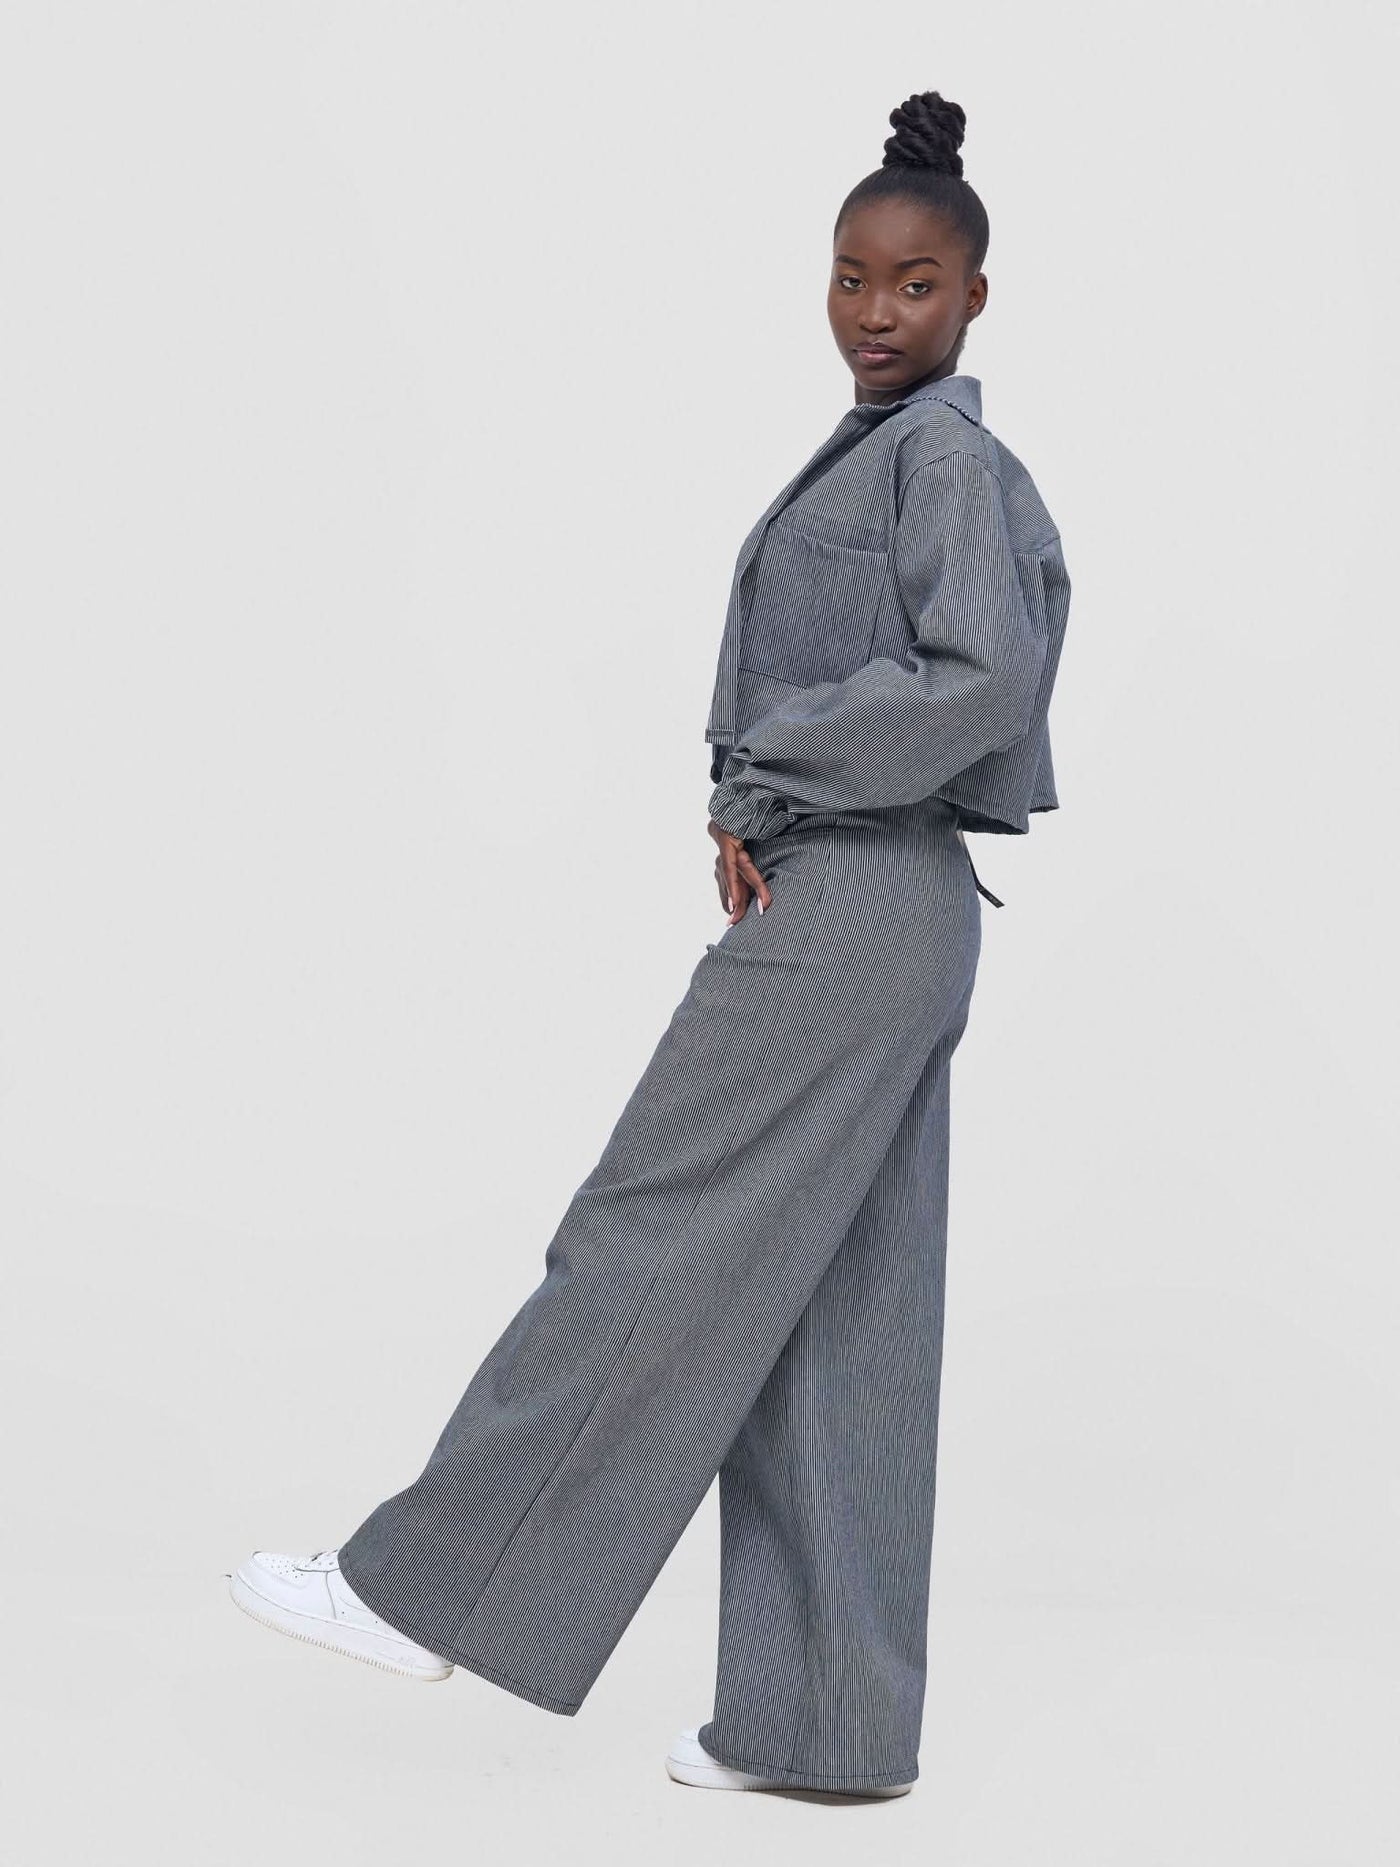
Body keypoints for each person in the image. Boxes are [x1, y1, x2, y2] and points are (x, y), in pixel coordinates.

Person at [229, 86, 1071, 1800]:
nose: (876, 311)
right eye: (851, 276)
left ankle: (426, 1589)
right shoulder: (904, 453)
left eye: (916, 284)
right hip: (890, 909)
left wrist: (769, 772)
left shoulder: (941, 457)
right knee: (840, 1316)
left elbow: (980, 676)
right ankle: (820, 1729)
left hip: (859, 899)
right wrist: (764, 796)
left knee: (657, 1230)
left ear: (977, 297)